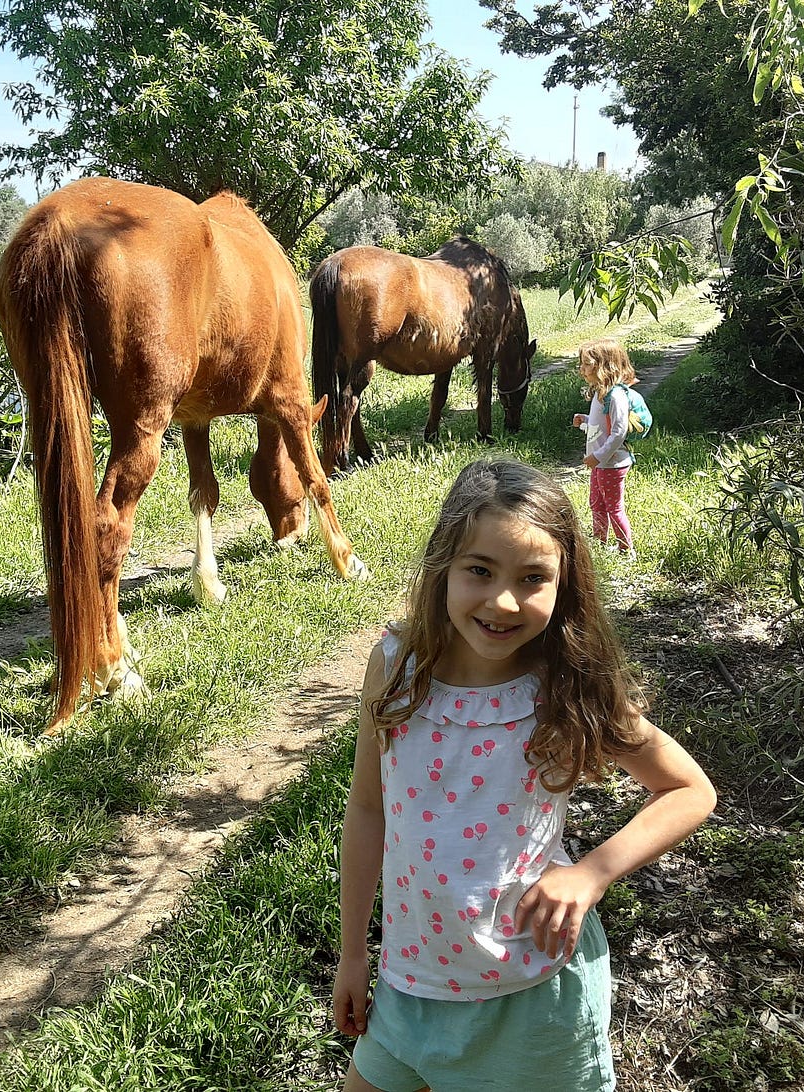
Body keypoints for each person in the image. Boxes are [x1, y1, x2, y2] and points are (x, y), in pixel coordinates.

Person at [333, 459, 716, 1092]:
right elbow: (368, 810)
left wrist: (591, 873)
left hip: (535, 996)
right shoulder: (396, 665)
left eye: (533, 578)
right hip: (412, 982)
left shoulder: (565, 684)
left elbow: (689, 790)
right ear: (443, 569)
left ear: (564, 587)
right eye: (479, 570)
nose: (503, 600)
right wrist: (354, 954)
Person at [571, 338, 638, 553]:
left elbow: (619, 432)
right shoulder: (600, 393)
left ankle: (626, 550)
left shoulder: (616, 395)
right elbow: (602, 426)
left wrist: (598, 456)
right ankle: (600, 544)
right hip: (600, 463)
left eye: (587, 364)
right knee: (596, 504)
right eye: (581, 364)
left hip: (613, 463)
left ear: (605, 366)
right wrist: (586, 420)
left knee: (614, 508)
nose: (582, 370)